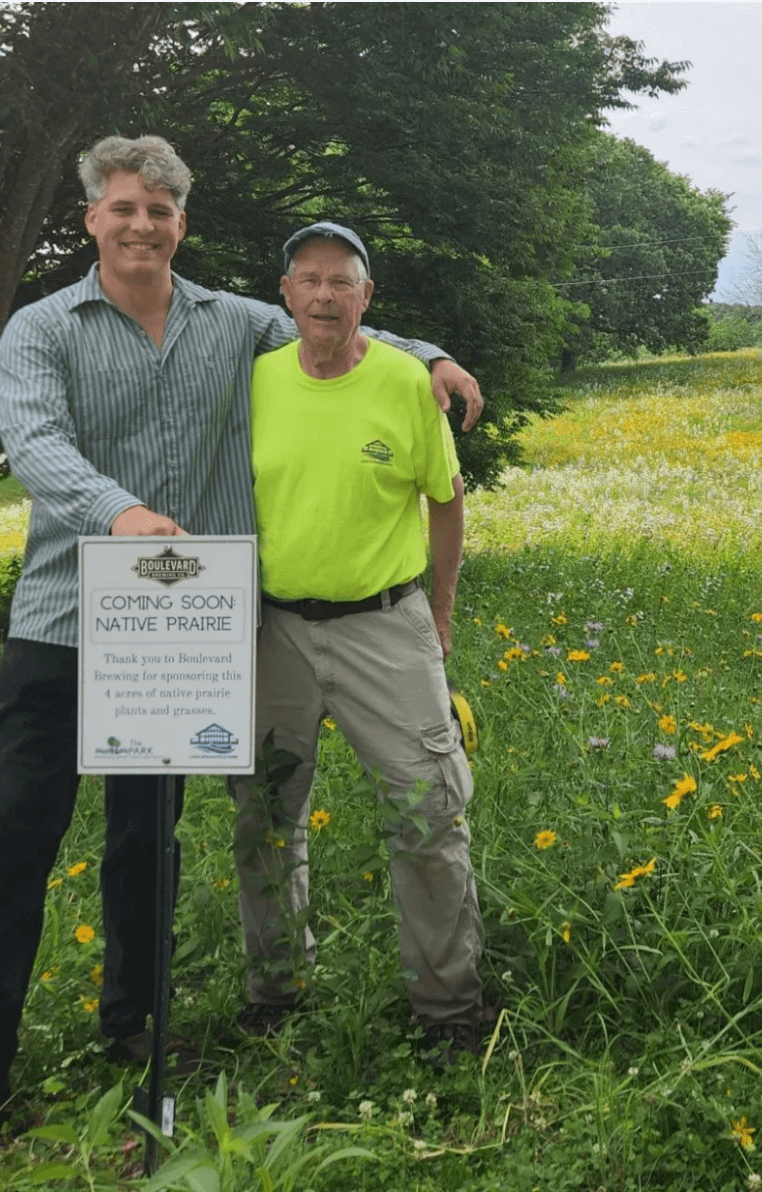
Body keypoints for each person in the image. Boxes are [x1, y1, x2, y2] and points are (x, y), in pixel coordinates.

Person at [0, 136, 482, 1171]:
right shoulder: (40, 331)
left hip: (183, 629)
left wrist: (426, 354)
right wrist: (117, 514)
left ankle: (136, 1027)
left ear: (181, 224)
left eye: (160, 209)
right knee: (8, 842)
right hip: (67, 623)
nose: (142, 225)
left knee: (144, 844)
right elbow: (34, 443)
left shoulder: (233, 323)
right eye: (124, 208)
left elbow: (331, 312)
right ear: (92, 220)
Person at [228, 222, 487, 1059]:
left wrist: (438, 616)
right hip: (276, 632)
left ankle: (448, 1011)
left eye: (342, 282)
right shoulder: (257, 380)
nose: (325, 296)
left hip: (387, 623)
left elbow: (445, 502)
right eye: (308, 280)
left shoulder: (409, 383)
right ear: (286, 295)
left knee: (428, 813)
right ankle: (277, 988)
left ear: (366, 298)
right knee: (264, 814)